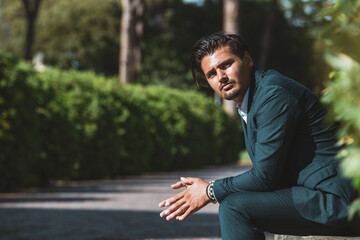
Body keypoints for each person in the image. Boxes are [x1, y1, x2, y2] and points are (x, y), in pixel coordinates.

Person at [158, 32, 359, 239]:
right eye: (211, 74)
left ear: (247, 60)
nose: (221, 77)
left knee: (235, 208)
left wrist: (210, 191)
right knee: (235, 204)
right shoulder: (252, 100)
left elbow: (264, 177)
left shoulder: (273, 94)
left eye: (226, 65)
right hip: (316, 195)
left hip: (337, 201)